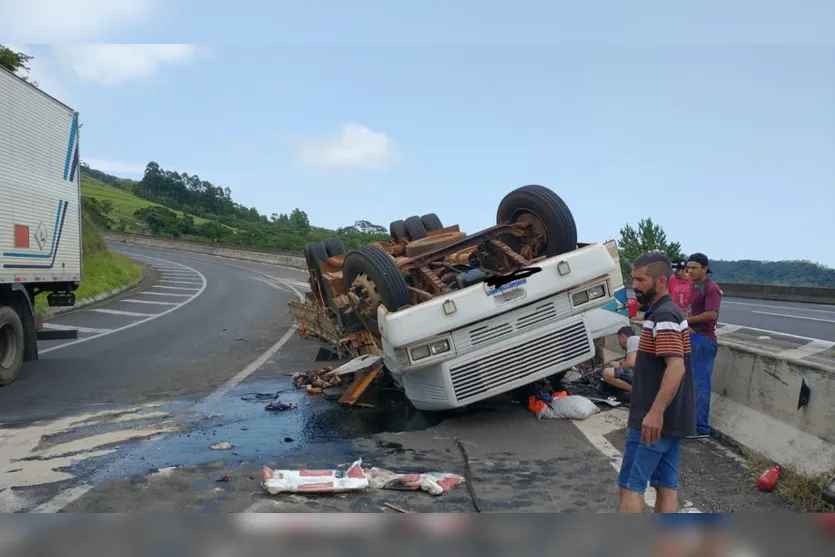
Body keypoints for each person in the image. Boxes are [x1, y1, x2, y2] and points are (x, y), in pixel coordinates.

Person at [617, 252, 696, 513]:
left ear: (661, 282)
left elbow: (676, 367)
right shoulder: (667, 313)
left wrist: (655, 412)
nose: (635, 286)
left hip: (653, 421)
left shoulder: (663, 316)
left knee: (631, 487)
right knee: (666, 486)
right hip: (671, 419)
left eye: (640, 280)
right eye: (633, 279)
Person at [685, 252, 722, 439]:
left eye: (694, 268)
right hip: (693, 337)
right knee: (690, 383)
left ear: (705, 268)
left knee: (700, 384)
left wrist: (686, 321)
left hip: (704, 341)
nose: (690, 271)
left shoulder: (711, 287)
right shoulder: (695, 287)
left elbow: (711, 315)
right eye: (688, 267)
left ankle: (700, 427)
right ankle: (690, 423)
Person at [601, 326, 639, 393]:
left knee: (606, 373)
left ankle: (634, 391)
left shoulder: (631, 340)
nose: (619, 343)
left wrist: (617, 365)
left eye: (619, 339)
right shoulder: (637, 340)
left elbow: (630, 363)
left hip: (643, 376)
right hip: (649, 374)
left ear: (622, 336)